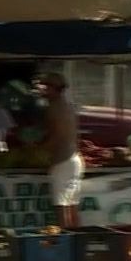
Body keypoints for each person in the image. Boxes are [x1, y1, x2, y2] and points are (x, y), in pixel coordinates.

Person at [41, 73, 83, 229]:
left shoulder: (54, 108)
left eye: (46, 88)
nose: (44, 91)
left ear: (55, 89)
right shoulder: (69, 106)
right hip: (74, 158)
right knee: (72, 205)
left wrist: (43, 152)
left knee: (62, 206)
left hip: (62, 160)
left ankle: (66, 242)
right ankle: (76, 240)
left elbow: (57, 135)